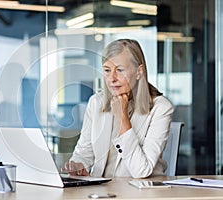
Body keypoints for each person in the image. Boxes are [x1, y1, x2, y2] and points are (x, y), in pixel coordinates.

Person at [61, 39, 174, 178]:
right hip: (101, 191)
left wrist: (122, 118)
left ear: (139, 72)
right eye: (107, 70)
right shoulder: (96, 103)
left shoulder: (161, 108)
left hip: (140, 192)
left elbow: (141, 171)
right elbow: (84, 153)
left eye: (120, 70)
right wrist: (78, 166)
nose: (111, 78)